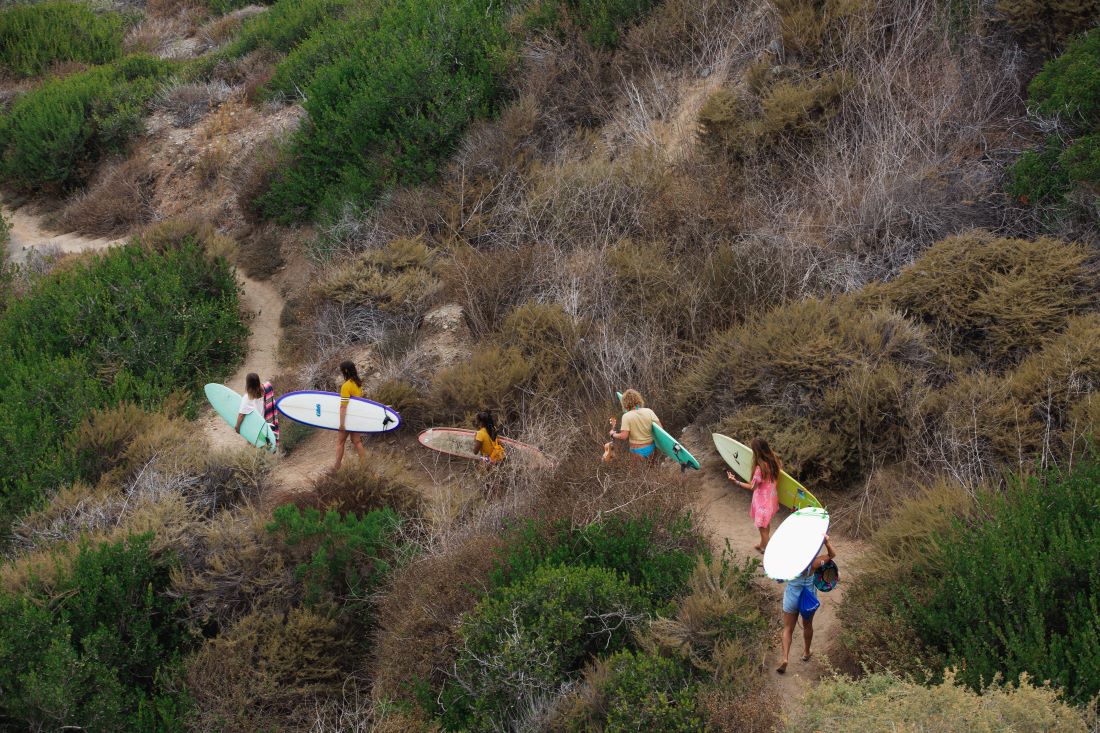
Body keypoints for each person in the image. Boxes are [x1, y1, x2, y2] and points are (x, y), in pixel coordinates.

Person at [777, 534, 836, 674]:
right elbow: (832, 555)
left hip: (792, 596)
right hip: (807, 598)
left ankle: (785, 658)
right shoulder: (815, 562)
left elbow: (778, 576)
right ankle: (807, 652)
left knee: (787, 628)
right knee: (808, 625)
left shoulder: (789, 562)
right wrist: (826, 542)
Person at [726, 437, 781, 552]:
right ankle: (762, 544)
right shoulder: (775, 461)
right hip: (771, 499)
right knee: (766, 525)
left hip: (762, 503)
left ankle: (768, 552)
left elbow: (753, 487)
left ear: (756, 452)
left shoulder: (759, 468)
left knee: (762, 529)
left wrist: (735, 481)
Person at [608, 389, 662, 459]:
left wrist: (613, 434)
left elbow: (624, 436)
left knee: (638, 470)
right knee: (652, 468)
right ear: (638, 399)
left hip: (637, 450)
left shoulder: (626, 416)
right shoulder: (649, 411)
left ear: (624, 402)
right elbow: (660, 429)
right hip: (651, 447)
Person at [333, 360, 367, 471]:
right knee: (357, 442)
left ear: (345, 371)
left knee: (340, 442)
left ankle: (336, 467)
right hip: (356, 417)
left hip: (348, 419)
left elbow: (343, 407)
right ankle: (365, 466)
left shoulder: (346, 386)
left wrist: (342, 424)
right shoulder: (358, 383)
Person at [235, 373, 276, 449]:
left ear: (248, 385)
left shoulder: (247, 398)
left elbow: (241, 415)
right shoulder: (267, 387)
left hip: (255, 427)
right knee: (266, 444)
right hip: (267, 424)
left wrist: (237, 427)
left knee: (253, 446)